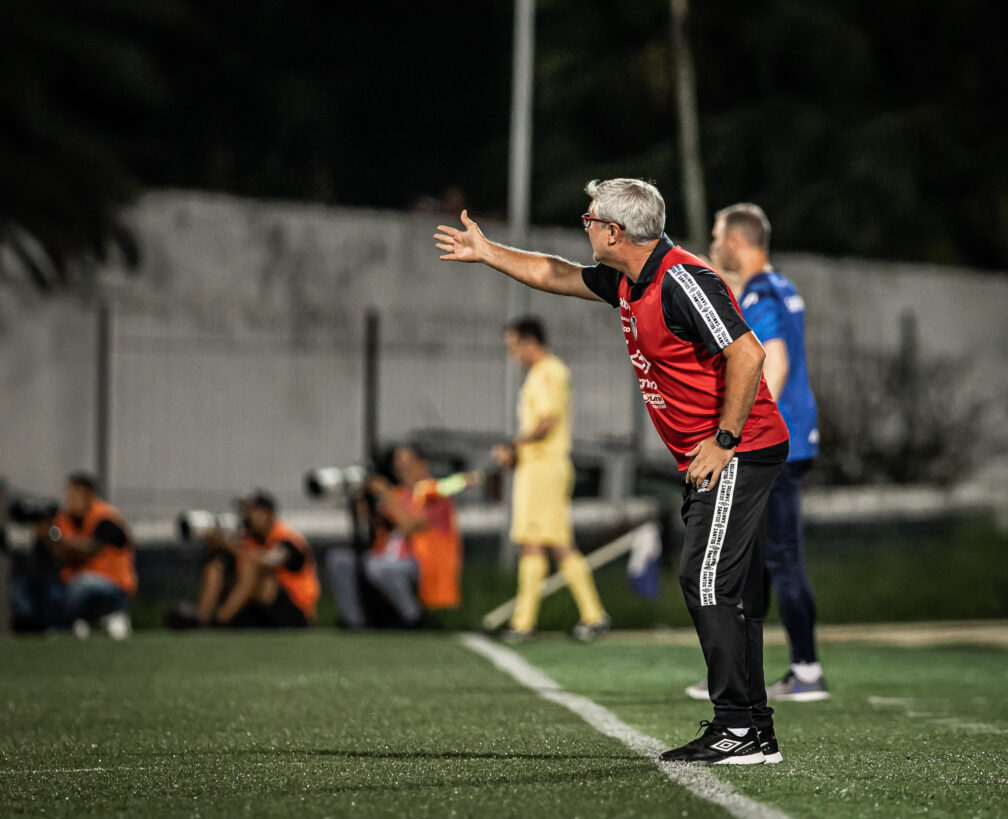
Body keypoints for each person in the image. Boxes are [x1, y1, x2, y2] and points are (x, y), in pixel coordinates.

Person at [434, 178, 790, 765]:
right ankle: (751, 727)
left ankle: (738, 729)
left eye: (590, 217)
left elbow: (747, 354)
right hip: (720, 452)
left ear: (616, 232)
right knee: (729, 589)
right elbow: (553, 274)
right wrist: (489, 252)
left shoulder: (683, 279)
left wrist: (723, 441)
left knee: (704, 581)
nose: (585, 224)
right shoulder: (630, 277)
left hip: (742, 449)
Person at [701, 202, 827, 701]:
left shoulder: (760, 293)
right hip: (796, 436)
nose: (713, 242)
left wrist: (739, 433)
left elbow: (770, 364)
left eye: (716, 235)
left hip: (780, 443)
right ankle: (749, 669)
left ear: (735, 240)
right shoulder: (782, 286)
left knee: (779, 558)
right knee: (759, 558)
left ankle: (807, 671)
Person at [491, 316, 609, 643]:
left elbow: (546, 421)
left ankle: (537, 622)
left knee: (551, 543)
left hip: (545, 468)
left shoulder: (548, 372)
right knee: (541, 543)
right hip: (536, 468)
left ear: (530, 342)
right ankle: (540, 620)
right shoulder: (541, 373)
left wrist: (513, 446)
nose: (512, 354)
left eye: (515, 346)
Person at [327, 445, 463, 628]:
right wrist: (359, 496)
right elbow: (369, 528)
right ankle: (355, 621)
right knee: (340, 559)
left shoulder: (436, 493)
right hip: (387, 557)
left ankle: (414, 619)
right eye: (397, 463)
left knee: (378, 566)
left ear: (423, 464)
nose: (400, 468)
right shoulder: (399, 494)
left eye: (406, 462)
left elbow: (409, 525)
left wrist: (385, 493)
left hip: (422, 563)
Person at [195, 491, 320, 628]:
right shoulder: (249, 540)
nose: (247, 517)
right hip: (260, 608)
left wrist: (228, 545)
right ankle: (201, 621)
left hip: (296, 609)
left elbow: (267, 561)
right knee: (216, 567)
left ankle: (220, 621)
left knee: (253, 568)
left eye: (253, 512)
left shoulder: (287, 539)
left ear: (268, 515)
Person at [40, 473, 136, 639]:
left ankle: (68, 623)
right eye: (69, 494)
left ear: (90, 495)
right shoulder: (64, 519)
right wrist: (44, 535)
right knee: (46, 585)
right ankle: (77, 622)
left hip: (113, 586)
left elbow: (90, 549)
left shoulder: (106, 518)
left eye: (75, 494)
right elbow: (55, 551)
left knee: (82, 582)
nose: (70, 500)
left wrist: (58, 538)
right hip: (74, 584)